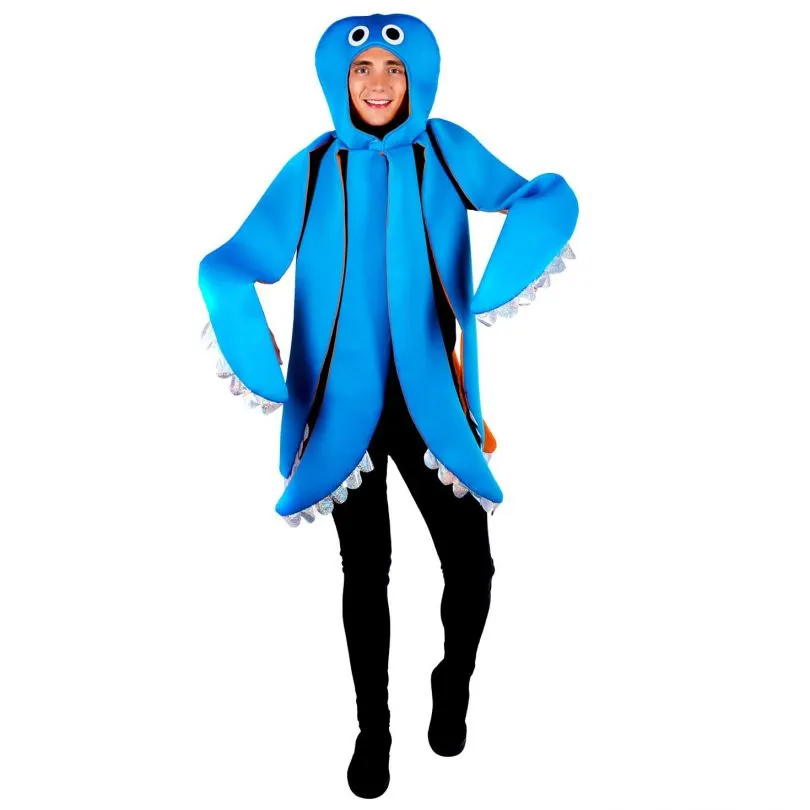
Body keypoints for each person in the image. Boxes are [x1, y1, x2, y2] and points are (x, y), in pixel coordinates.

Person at [198, 12, 578, 800]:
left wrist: (496, 283)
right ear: (339, 80)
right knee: (365, 570)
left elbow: (538, 197)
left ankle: (453, 680)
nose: (378, 83)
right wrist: (256, 351)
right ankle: (374, 728)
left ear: (417, 78)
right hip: (342, 404)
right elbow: (234, 261)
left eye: (394, 69)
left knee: (471, 564)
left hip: (431, 397)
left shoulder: (445, 149)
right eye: (362, 68)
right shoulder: (313, 167)